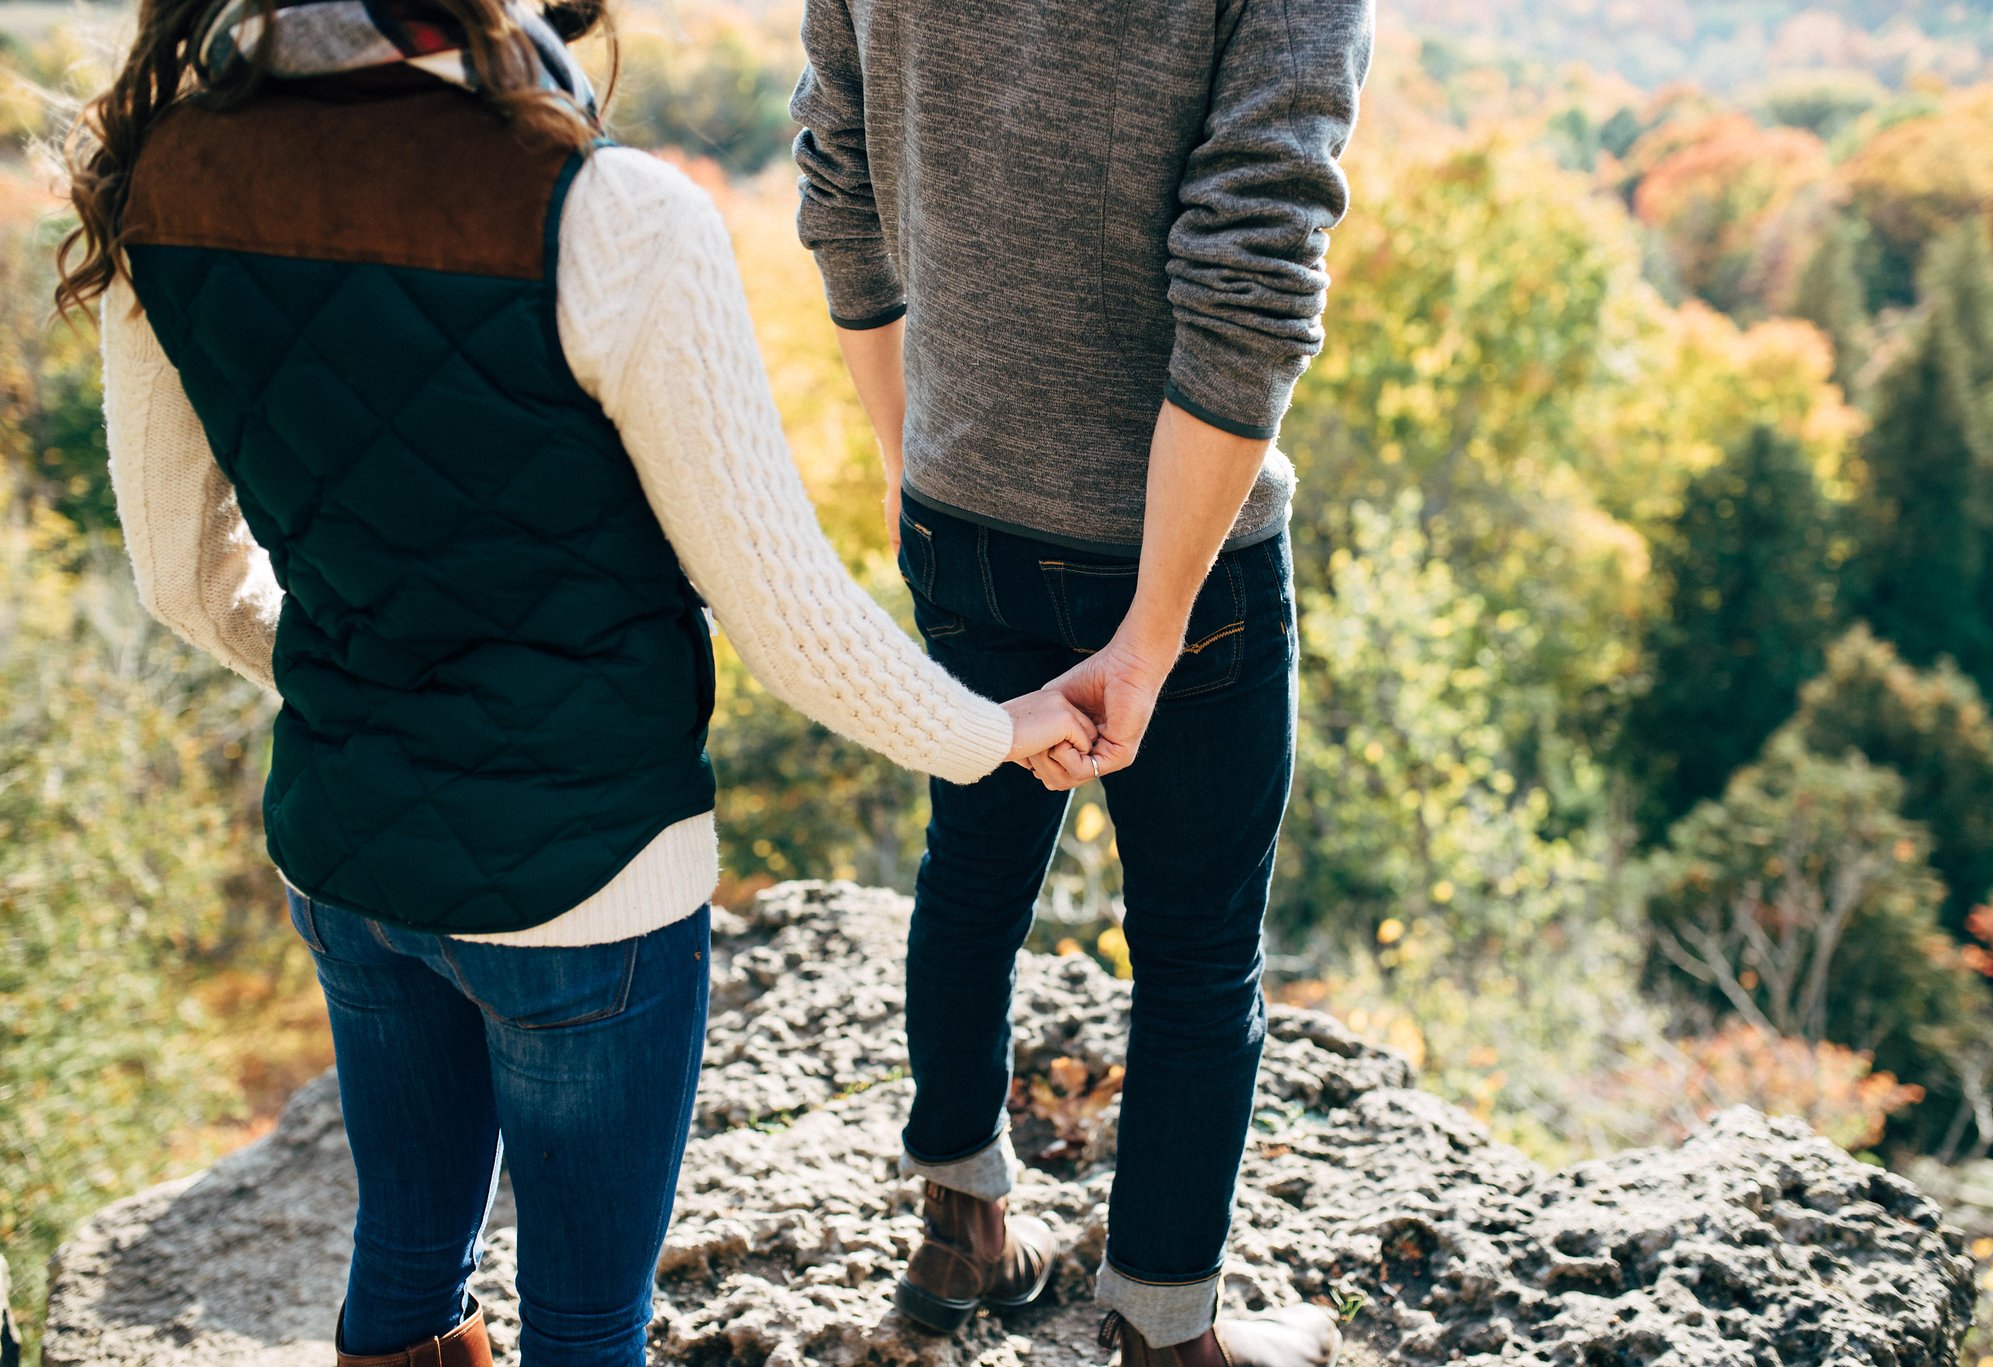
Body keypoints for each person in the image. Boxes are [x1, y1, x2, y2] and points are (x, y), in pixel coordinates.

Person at [57, 1, 1096, 1363]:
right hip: (591, 886)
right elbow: (782, 612)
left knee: (407, 1263)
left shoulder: (169, 175)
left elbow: (184, 583)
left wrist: (374, 681)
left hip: (352, 857)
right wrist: (992, 730)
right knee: (589, 1321)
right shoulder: (609, 213)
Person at [791, 1, 1375, 1363]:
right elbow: (1254, 267)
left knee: (973, 874)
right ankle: (1166, 1336)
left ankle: (960, 1239)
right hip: (1179, 552)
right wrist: (1157, 623)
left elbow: (840, 183)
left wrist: (907, 458)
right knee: (1194, 950)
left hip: (959, 502)